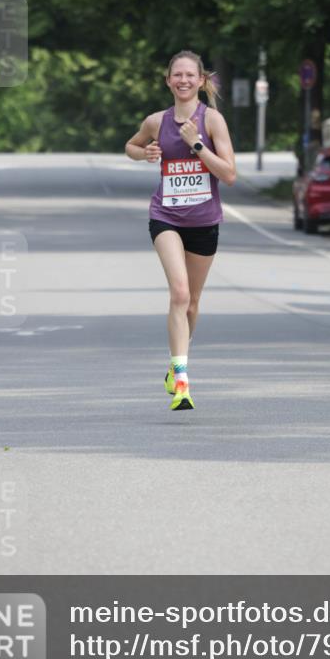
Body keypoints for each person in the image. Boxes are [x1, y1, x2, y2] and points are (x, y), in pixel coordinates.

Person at [125, 50, 236, 410]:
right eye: (177, 75)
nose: (183, 80)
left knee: (192, 303)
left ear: (201, 81)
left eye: (190, 75)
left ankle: (176, 366)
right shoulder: (156, 121)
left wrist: (197, 144)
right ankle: (183, 381)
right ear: (168, 81)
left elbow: (229, 174)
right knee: (179, 293)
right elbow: (131, 146)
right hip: (166, 217)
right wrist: (145, 154)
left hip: (204, 221)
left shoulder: (212, 120)